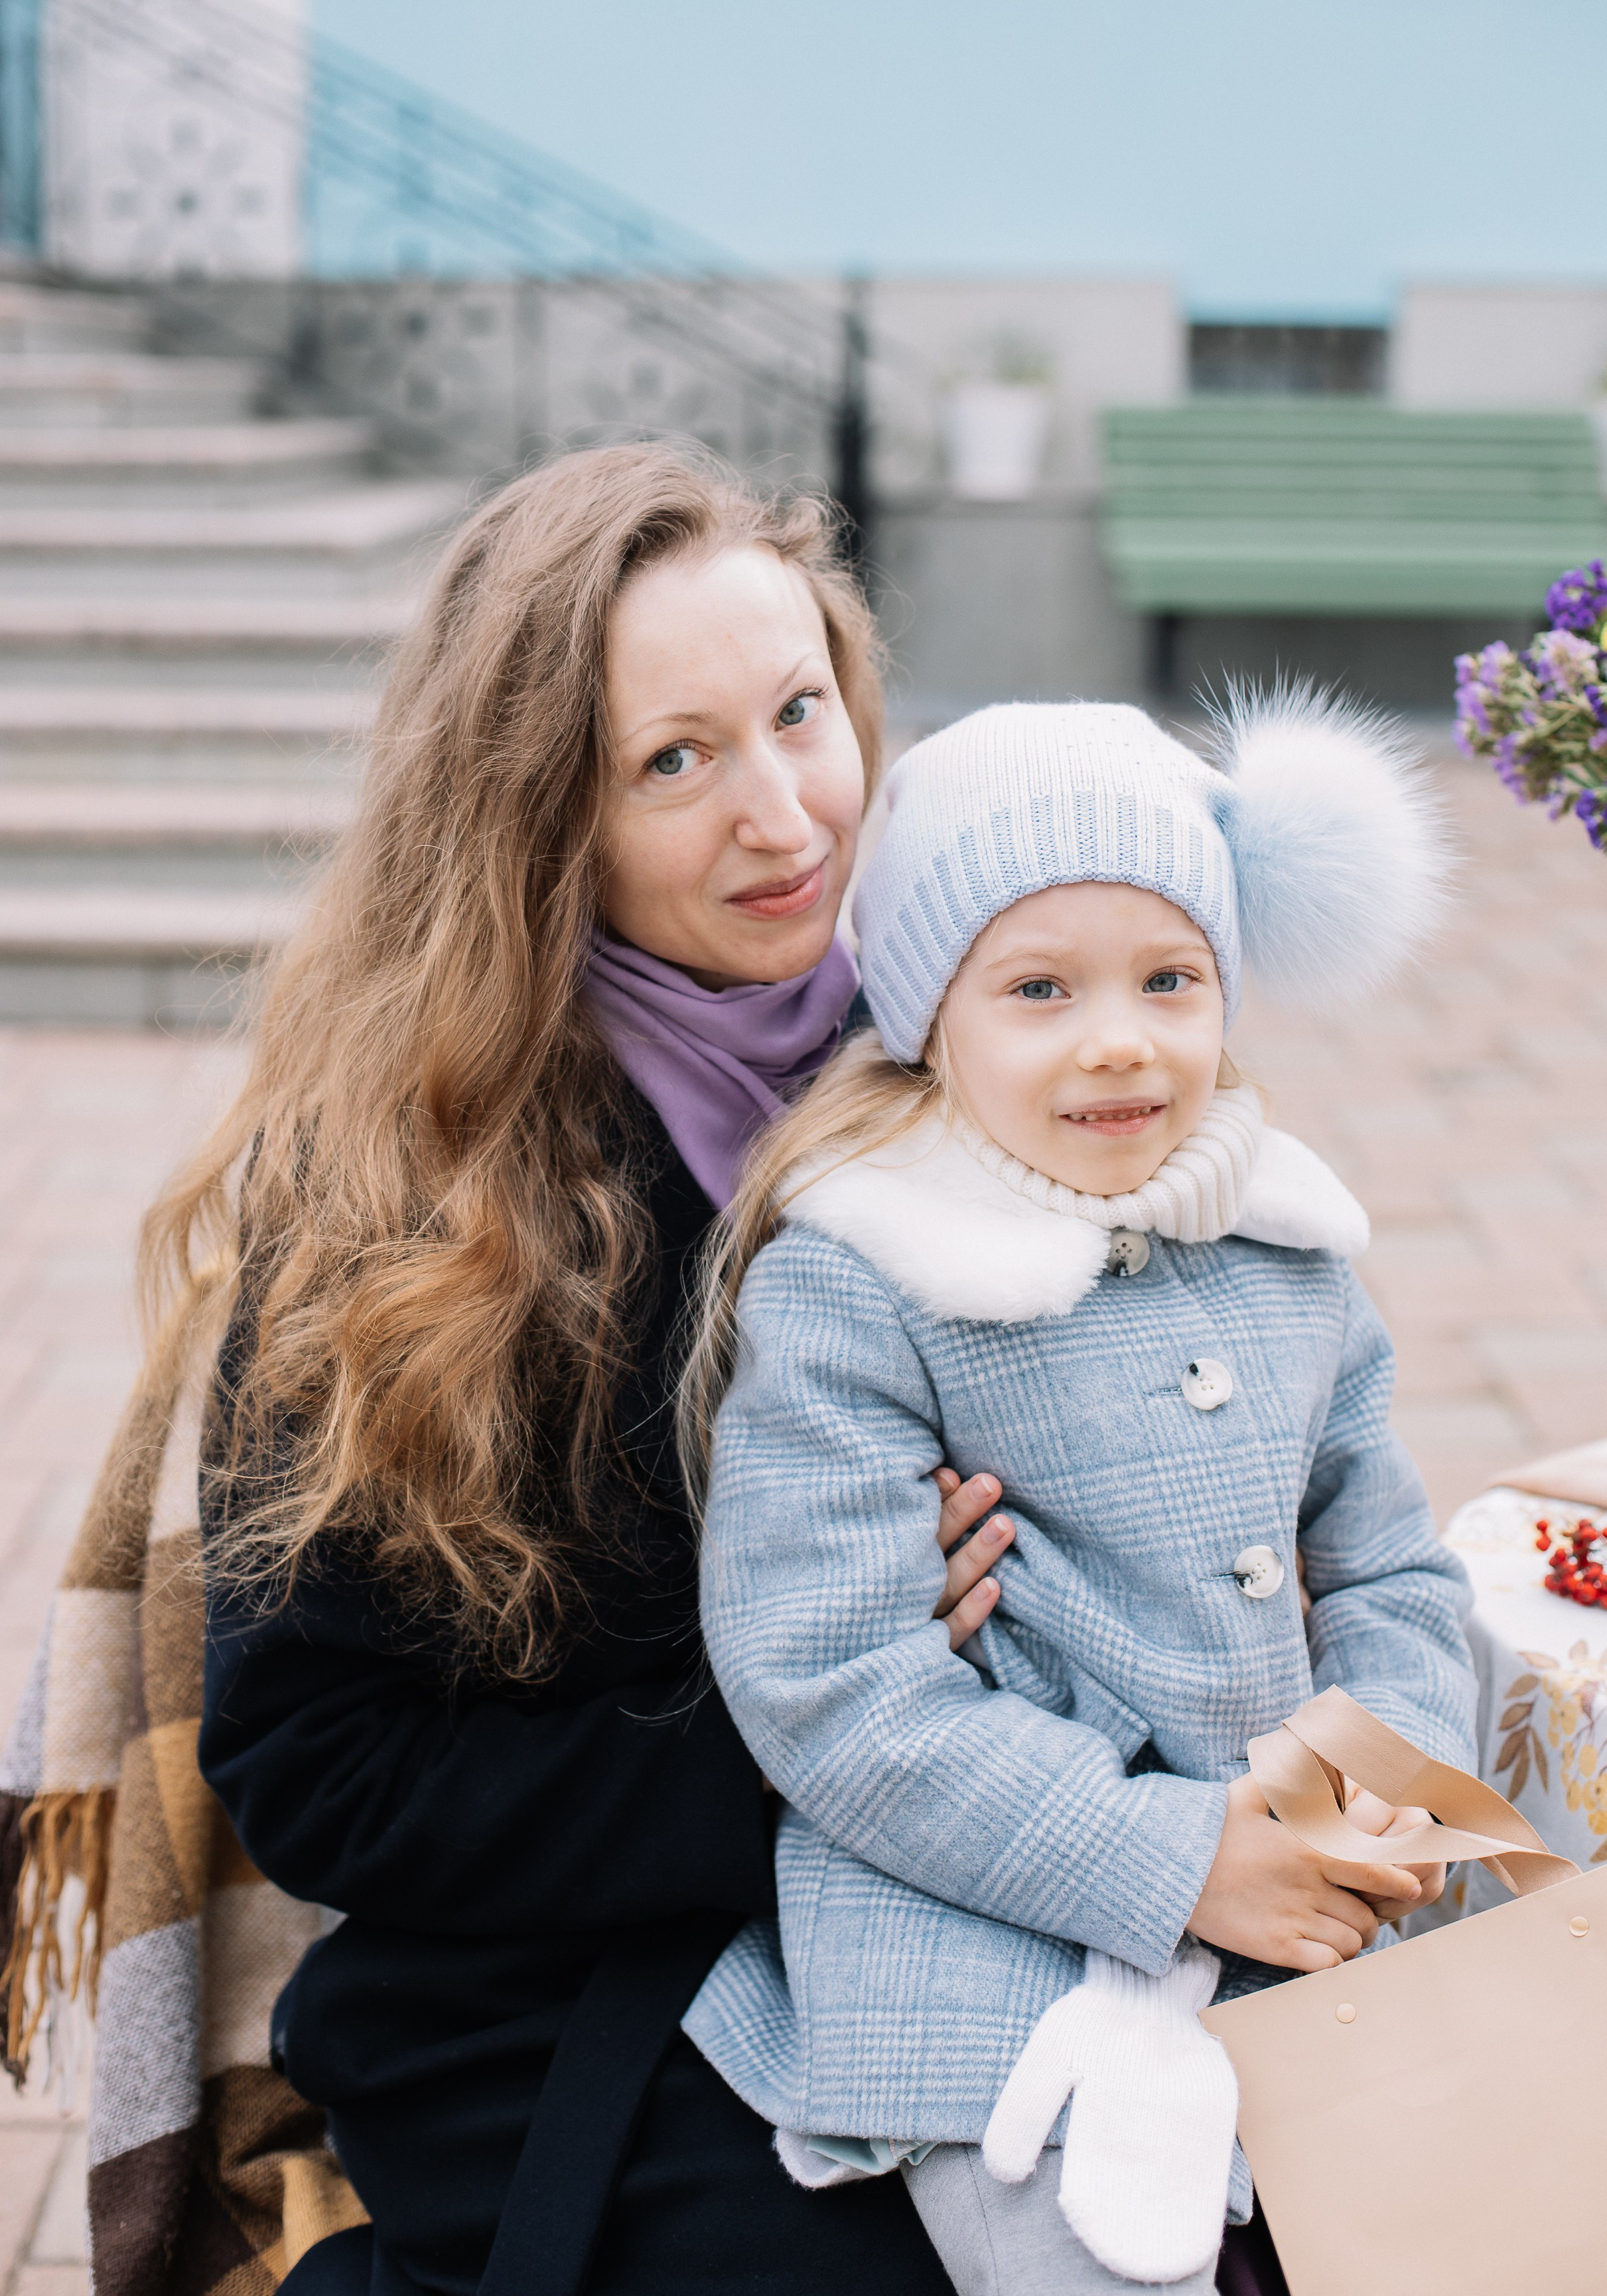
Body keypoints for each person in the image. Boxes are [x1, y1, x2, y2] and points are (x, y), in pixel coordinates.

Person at [173, 447, 1002, 2295]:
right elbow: (317, 1763)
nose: (785, 816)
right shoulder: (408, 1194)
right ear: (538, 819)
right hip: (563, 1997)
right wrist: (806, 1729)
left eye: (801, 712)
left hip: (967, 1904)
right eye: (674, 761)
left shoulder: (961, 1046)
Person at [685, 697, 1479, 2295]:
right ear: (931, 1013)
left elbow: (1389, 1565)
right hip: (991, 1936)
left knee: (1452, 2214)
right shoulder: (864, 1279)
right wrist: (1171, 1857)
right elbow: (832, 1684)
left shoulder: (1288, 1256)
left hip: (1294, 1892)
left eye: (1167, 979)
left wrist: (1382, 1792)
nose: (1116, 1037)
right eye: (1039, 987)